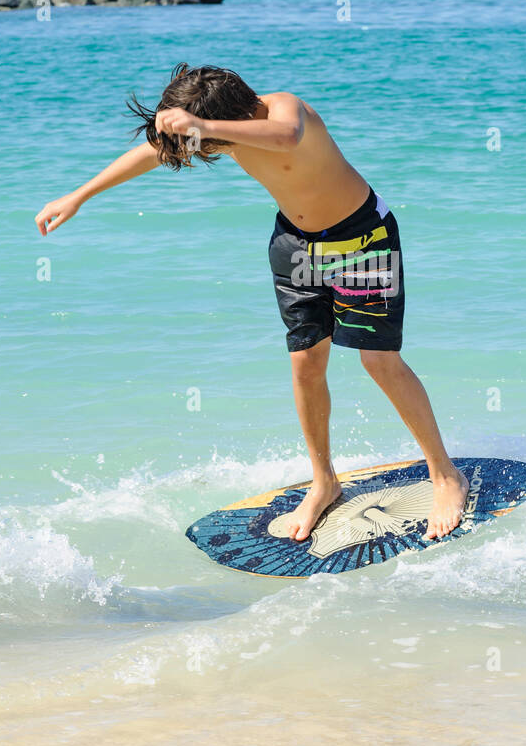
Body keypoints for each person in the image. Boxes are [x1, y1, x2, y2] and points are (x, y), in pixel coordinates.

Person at [35, 64, 468, 542]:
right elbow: (154, 154)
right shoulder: (224, 129)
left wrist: (203, 127)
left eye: (207, 135)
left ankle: (445, 475)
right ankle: (324, 482)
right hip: (295, 245)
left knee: (379, 361)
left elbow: (285, 136)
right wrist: (79, 195)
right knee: (305, 362)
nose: (206, 149)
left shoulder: (285, 108)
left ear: (229, 113)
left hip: (362, 238)